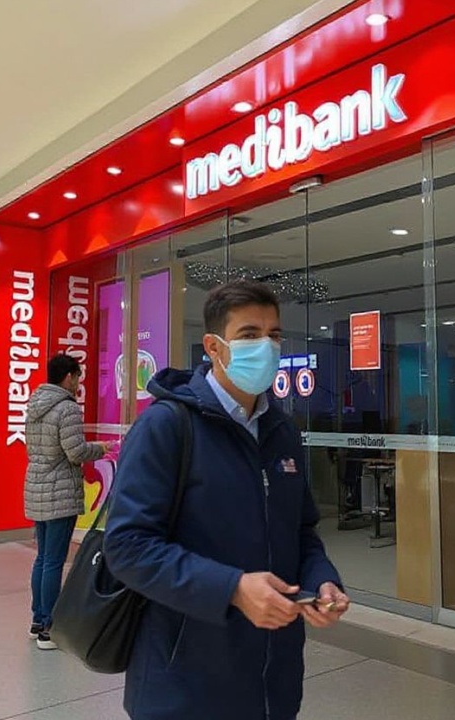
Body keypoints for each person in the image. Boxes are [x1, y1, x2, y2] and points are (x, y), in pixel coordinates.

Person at [104, 280, 350, 720]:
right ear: (214, 348)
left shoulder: (282, 431)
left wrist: (322, 580)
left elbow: (302, 529)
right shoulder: (167, 427)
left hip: (273, 678)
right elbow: (127, 547)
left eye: (274, 335)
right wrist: (232, 589)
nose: (267, 347)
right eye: (250, 335)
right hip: (184, 680)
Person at [25, 353, 110, 650]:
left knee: (42, 559)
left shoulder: (35, 404)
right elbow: (75, 452)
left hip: (36, 488)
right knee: (53, 562)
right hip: (60, 491)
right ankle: (49, 627)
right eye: (78, 377)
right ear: (68, 376)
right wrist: (99, 449)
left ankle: (38, 620)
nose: (79, 384)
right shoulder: (67, 408)